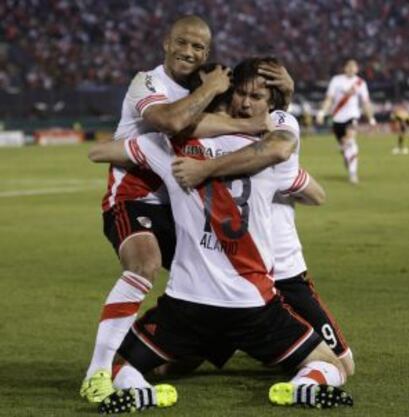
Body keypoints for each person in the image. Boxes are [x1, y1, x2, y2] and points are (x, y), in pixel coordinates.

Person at [89, 61, 353, 412]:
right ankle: (305, 386)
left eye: (256, 96)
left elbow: (99, 152)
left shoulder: (170, 148)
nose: (246, 103)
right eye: (241, 95)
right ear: (231, 100)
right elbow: (309, 186)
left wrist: (169, 148)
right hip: (254, 303)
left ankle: (141, 393)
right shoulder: (273, 151)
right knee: (333, 366)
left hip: (187, 305)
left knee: (122, 365)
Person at [81, 16, 295, 404]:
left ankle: (245, 340)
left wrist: (286, 96)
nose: (189, 52)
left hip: (184, 205)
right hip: (135, 197)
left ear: (206, 53)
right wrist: (215, 88)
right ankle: (97, 373)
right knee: (144, 263)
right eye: (182, 43)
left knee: (221, 281)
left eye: (198, 48)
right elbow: (172, 121)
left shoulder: (205, 90)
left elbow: (242, 116)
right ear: (166, 42)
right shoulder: (147, 83)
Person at [316, 59, 376, 184]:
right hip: (337, 119)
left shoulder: (361, 83)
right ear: (344, 68)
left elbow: (365, 102)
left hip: (352, 116)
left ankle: (353, 174)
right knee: (345, 148)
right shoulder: (336, 80)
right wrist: (322, 112)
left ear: (357, 69)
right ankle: (348, 159)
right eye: (349, 66)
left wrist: (371, 118)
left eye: (354, 66)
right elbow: (329, 99)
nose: (351, 68)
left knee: (350, 141)